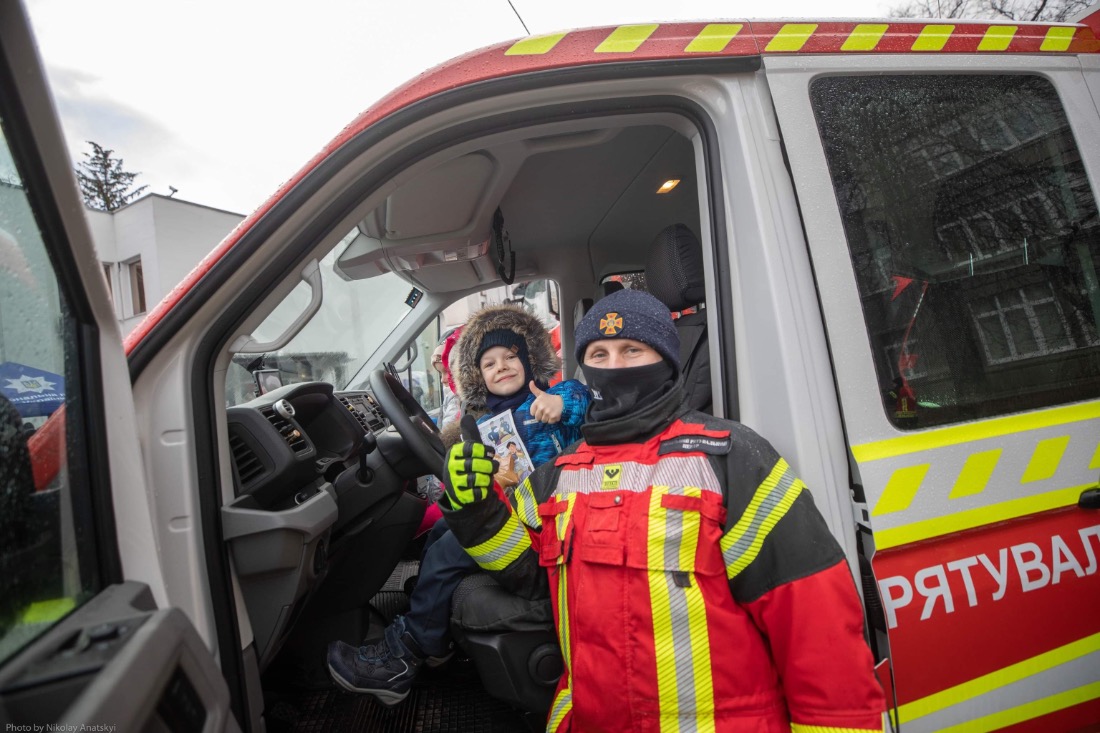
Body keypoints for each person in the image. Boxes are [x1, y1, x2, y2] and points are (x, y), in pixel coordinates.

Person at [440, 288, 887, 732]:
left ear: (666, 361)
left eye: (631, 350)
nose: (613, 367)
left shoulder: (731, 457)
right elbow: (526, 571)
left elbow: (816, 629)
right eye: (599, 353)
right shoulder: (556, 473)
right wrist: (476, 508)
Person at [327, 304, 590, 705]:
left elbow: (583, 398)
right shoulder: (483, 423)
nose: (501, 366)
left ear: (530, 360)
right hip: (515, 509)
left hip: (548, 519)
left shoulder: (552, 399)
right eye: (489, 363)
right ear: (476, 376)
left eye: (511, 357)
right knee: (442, 529)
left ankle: (410, 651)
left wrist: (560, 405)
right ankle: (431, 606)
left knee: (454, 547)